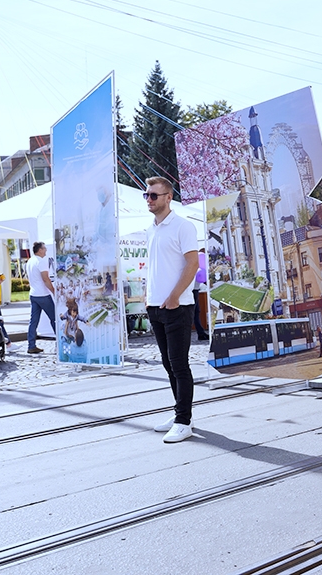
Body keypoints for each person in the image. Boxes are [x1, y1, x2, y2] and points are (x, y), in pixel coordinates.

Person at [144, 176, 199, 444]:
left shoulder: (183, 226)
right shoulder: (151, 229)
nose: (149, 200)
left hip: (178, 306)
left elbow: (192, 264)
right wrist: (148, 298)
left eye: (154, 195)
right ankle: (180, 411)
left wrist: (175, 296)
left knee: (179, 365)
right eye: (147, 195)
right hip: (155, 306)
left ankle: (183, 421)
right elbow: (155, 268)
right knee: (168, 364)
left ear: (168, 197)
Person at [25, 241, 55, 354]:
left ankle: (31, 345)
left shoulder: (30, 261)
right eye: (44, 248)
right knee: (54, 319)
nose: (46, 250)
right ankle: (62, 343)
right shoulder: (41, 261)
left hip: (33, 294)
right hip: (43, 294)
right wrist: (53, 291)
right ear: (40, 250)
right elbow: (46, 279)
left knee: (33, 321)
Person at [192, 247, 209, 340]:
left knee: (196, 312)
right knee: (193, 312)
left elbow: (202, 277)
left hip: (195, 289)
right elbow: (201, 277)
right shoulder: (196, 262)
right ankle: (200, 333)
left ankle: (201, 333)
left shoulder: (199, 263)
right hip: (192, 290)